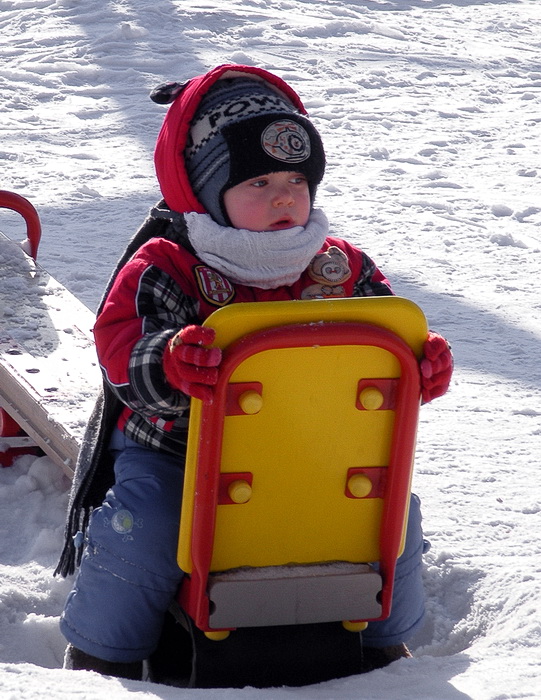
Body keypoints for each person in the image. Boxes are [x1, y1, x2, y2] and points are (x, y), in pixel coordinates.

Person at [56, 64, 453, 681]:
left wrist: (420, 364)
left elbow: (388, 343)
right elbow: (120, 350)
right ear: (204, 191)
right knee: (148, 527)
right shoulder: (169, 266)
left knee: (391, 515)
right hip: (178, 455)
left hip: (317, 458)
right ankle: (101, 651)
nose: (284, 196)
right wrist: (169, 360)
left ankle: (386, 649)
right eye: (259, 181)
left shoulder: (338, 269)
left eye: (297, 179)